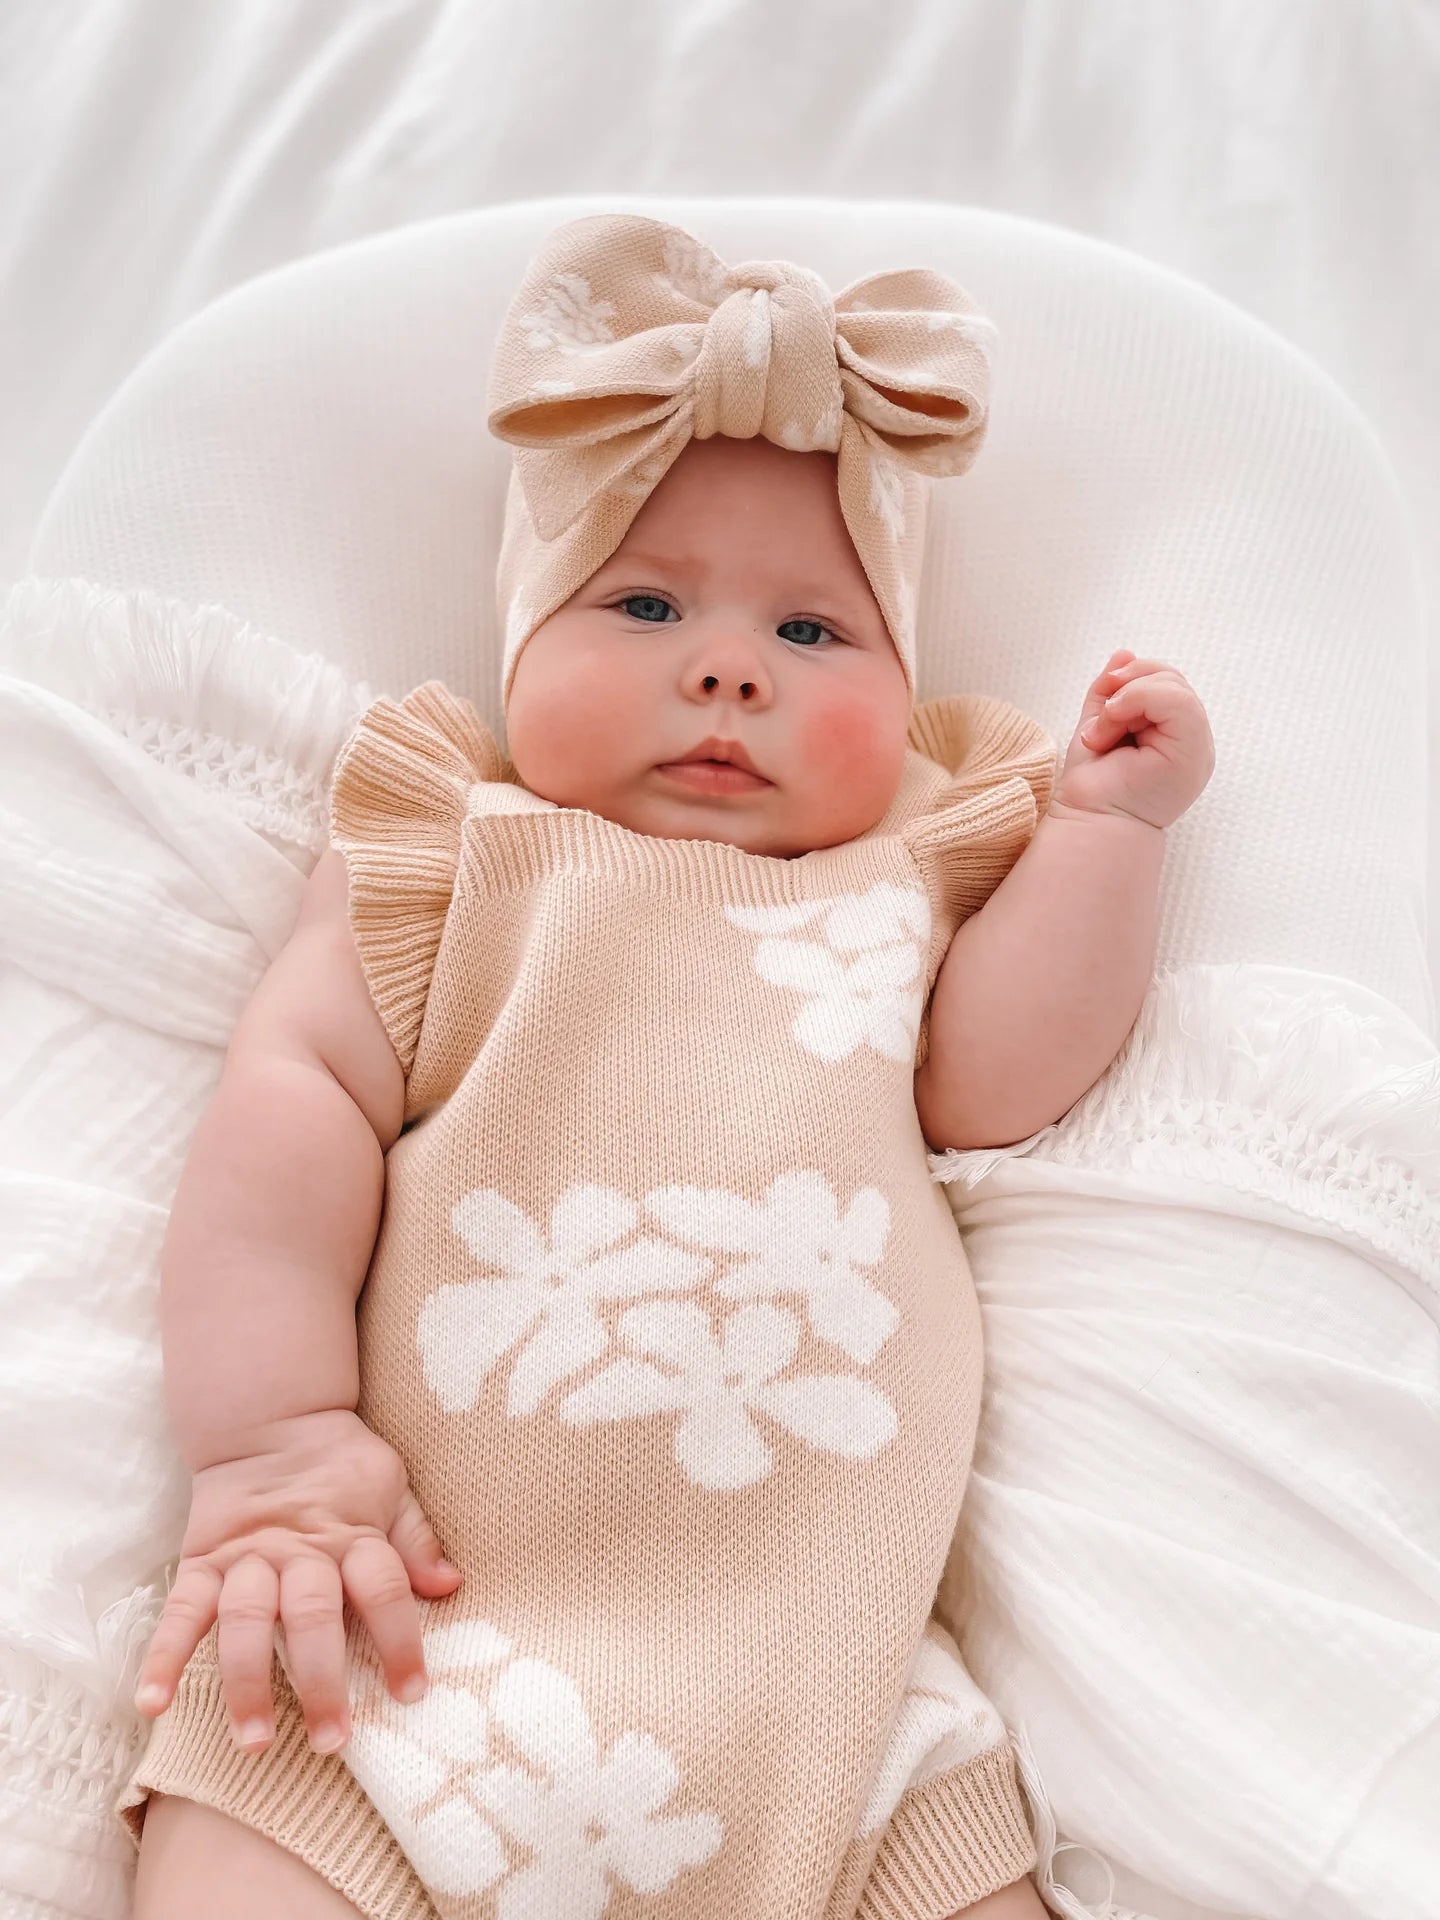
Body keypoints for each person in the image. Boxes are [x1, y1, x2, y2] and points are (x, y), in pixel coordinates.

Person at [119, 213, 1214, 1919]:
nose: (725, 668)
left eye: (814, 636)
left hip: (832, 1709)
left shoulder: (908, 871)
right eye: (642, 605)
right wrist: (274, 1449)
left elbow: (995, 1085)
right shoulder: (463, 857)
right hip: (413, 1636)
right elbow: (290, 1111)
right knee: (247, 1822)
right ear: (520, 649)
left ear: (908, 688)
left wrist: (1106, 837)